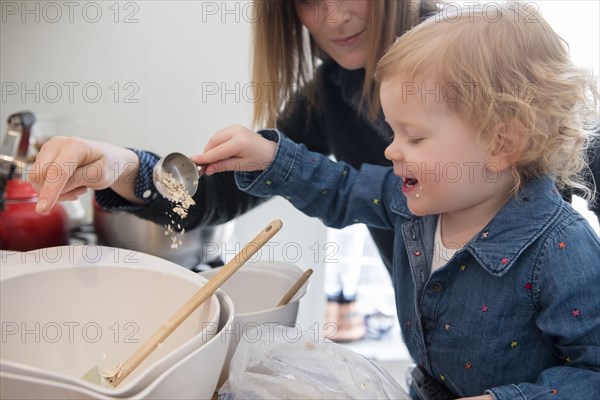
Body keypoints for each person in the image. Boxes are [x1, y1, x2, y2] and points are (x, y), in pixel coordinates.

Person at [30, 0, 599, 340]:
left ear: (506, 139)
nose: (333, 16)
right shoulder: (325, 96)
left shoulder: (480, 59)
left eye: (417, 136)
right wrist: (123, 165)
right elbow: (232, 194)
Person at [194, 2, 600, 398]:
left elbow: (593, 370)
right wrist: (269, 157)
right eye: (392, 133)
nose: (391, 152)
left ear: (501, 143)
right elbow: (341, 189)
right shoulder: (414, 200)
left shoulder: (564, 251)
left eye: (415, 137)